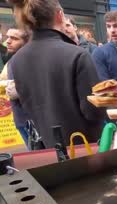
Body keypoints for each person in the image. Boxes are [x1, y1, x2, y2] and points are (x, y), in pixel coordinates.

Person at [7, 0, 104, 148]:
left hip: (47, 149)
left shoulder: (17, 60)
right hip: (84, 150)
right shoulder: (77, 54)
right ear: (60, 16)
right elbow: (93, 112)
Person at [1, 27, 29, 146]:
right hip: (20, 118)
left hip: (32, 121)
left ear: (26, 41)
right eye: (8, 37)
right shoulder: (12, 60)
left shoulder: (29, 59)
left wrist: (16, 89)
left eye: (14, 38)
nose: (8, 41)